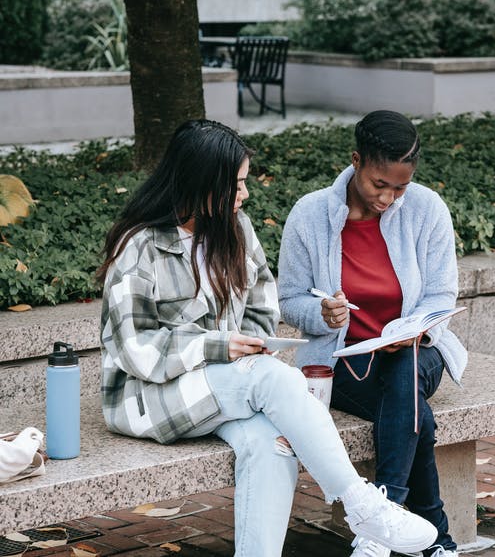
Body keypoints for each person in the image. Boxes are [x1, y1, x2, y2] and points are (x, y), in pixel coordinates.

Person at [98, 118, 438, 557]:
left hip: (224, 388)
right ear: (200, 183)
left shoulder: (236, 231)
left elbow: (262, 307)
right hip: (148, 396)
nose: (245, 195)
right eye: (235, 185)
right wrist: (223, 348)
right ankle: (361, 504)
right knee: (272, 379)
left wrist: (252, 347)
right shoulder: (139, 246)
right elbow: (135, 348)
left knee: (273, 447)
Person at [279, 110, 467, 557]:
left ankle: (379, 525)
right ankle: (436, 538)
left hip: (420, 354)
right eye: (379, 184)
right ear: (356, 161)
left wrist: (412, 331)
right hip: (344, 363)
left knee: (403, 363)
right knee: (412, 411)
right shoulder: (310, 215)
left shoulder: (426, 209)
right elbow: (289, 300)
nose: (389, 197)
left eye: (400, 187)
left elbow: (441, 296)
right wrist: (322, 313)